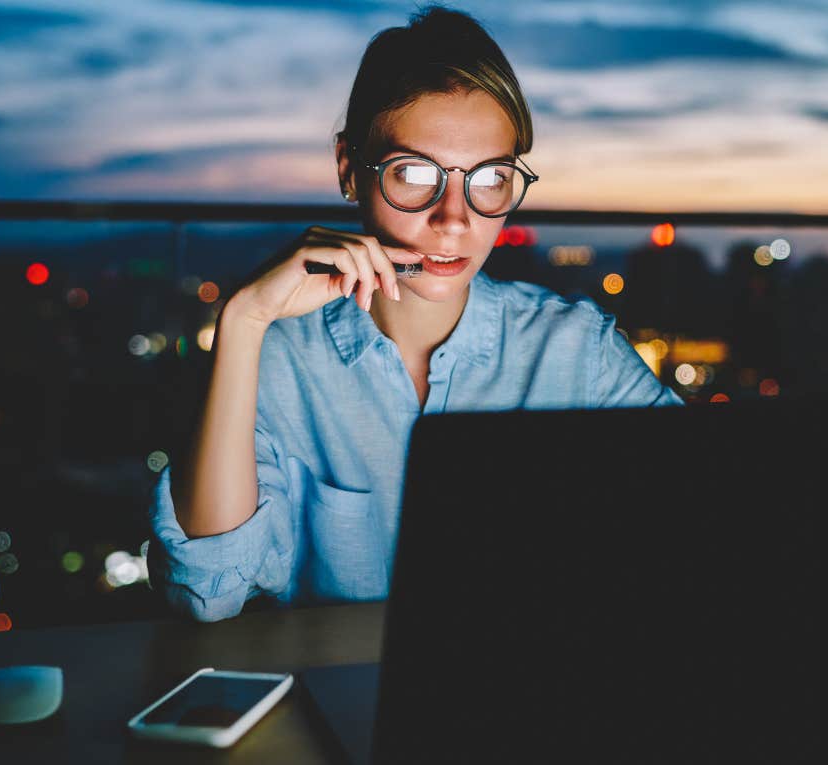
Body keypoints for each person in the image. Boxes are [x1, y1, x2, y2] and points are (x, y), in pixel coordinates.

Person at [149, 6, 683, 622]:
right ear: (350, 169)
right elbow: (207, 592)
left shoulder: (576, 350)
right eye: (415, 173)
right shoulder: (280, 355)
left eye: (490, 178)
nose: (453, 218)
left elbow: (708, 516)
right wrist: (242, 321)